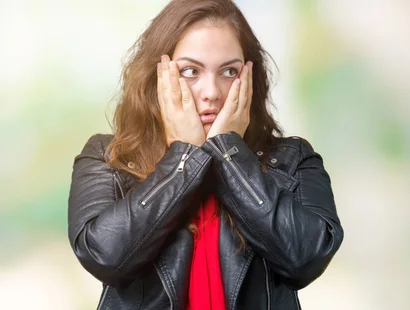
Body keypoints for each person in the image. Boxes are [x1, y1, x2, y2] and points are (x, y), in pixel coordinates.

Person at [67, 0, 344, 309]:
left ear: (249, 79)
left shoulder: (293, 160)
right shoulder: (110, 157)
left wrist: (228, 152)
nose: (211, 91)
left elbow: (307, 258)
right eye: (190, 71)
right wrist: (183, 158)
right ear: (155, 77)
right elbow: (105, 256)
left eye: (228, 71)